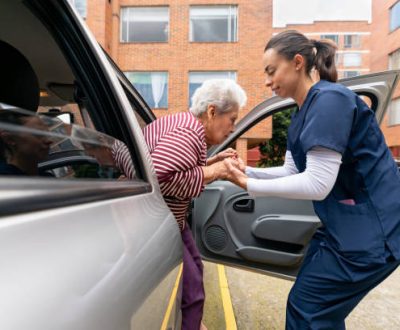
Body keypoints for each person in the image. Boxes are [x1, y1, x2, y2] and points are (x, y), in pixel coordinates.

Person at [226, 30, 400, 329]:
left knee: (309, 310)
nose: (267, 81)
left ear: (296, 62)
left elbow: (317, 185)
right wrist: (245, 171)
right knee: (316, 311)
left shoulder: (330, 100)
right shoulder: (302, 113)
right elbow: (292, 172)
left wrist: (249, 185)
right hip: (344, 230)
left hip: (373, 234)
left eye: (271, 71)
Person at [114, 79, 246, 330]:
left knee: (195, 268)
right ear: (212, 111)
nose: (233, 127)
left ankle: (191, 322)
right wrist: (216, 171)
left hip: (171, 220)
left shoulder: (180, 123)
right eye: (232, 119)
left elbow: (177, 167)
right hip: (159, 223)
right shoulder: (189, 133)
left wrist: (213, 161)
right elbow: (158, 179)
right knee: (192, 287)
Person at [0, 110, 52, 176]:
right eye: (38, 134)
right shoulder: (5, 180)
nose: (49, 141)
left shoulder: (47, 177)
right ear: (9, 139)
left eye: (47, 134)